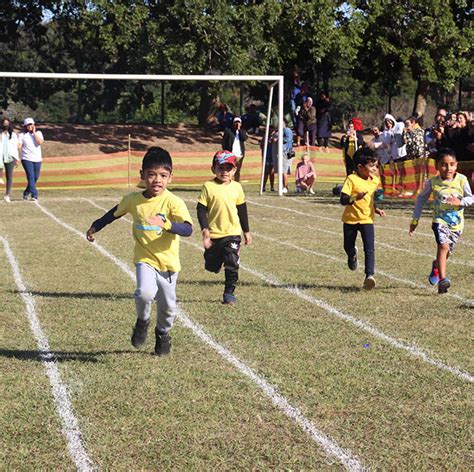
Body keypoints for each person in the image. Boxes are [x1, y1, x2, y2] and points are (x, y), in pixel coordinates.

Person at [86, 147, 193, 356]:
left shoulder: (173, 202)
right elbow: (113, 214)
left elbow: (188, 229)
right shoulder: (134, 200)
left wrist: (168, 225)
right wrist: (95, 226)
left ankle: (162, 334)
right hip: (144, 259)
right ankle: (143, 320)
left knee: (168, 307)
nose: (157, 180)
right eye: (151, 174)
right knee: (144, 293)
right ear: (142, 175)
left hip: (169, 265)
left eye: (163, 175)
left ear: (170, 177)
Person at [409, 148, 473, 294]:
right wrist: (415, 219)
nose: (448, 168)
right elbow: (421, 199)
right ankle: (443, 280)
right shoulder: (433, 182)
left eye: (451, 164)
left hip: (457, 224)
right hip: (439, 221)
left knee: (447, 250)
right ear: (437, 166)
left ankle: (436, 266)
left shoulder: (462, 180)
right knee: (443, 246)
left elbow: (471, 198)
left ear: (456, 165)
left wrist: (460, 201)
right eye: (444, 164)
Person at [196, 150, 252, 305]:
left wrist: (246, 231)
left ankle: (229, 293)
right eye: (221, 167)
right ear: (213, 169)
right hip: (214, 234)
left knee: (232, 262)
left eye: (229, 168)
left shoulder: (237, 187)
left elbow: (242, 210)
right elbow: (201, 209)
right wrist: (205, 230)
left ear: (234, 170)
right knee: (211, 266)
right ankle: (218, 261)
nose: (225, 171)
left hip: (232, 233)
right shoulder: (208, 186)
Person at [340, 147, 385, 290]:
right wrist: (355, 197)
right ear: (359, 167)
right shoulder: (351, 179)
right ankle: (352, 253)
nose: (374, 169)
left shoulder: (375, 181)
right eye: (371, 166)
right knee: (347, 246)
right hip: (350, 220)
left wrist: (376, 208)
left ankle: (369, 276)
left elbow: (370, 198)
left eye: (376, 165)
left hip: (367, 219)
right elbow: (343, 199)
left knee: (369, 248)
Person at [19, 117, 44, 201]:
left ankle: (26, 192)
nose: (30, 126)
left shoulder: (39, 133)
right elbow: (19, 146)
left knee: (35, 177)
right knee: (30, 176)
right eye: (28, 125)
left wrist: (34, 133)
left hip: (37, 159)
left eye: (31, 124)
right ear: (25, 126)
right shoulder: (22, 135)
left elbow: (39, 142)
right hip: (26, 158)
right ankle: (34, 195)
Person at [403, 116, 427, 196]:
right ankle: (415, 190)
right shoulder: (409, 132)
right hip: (412, 157)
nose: (406, 126)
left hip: (420, 156)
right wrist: (405, 132)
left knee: (422, 174)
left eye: (407, 124)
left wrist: (407, 132)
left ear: (413, 122)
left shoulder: (419, 131)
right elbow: (406, 142)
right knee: (414, 174)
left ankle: (424, 190)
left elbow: (416, 143)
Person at [222, 116, 247, 182]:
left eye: (239, 122)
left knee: (237, 170)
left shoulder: (242, 131)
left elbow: (244, 138)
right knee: (229, 170)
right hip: (230, 154)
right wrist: (226, 152)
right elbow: (224, 142)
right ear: (233, 123)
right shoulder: (228, 131)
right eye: (236, 122)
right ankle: (227, 182)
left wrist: (239, 130)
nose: (237, 124)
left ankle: (236, 183)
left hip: (240, 154)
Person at [271, 120, 293, 193]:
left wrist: (277, 139)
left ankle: (285, 187)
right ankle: (282, 186)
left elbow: (288, 139)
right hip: (278, 153)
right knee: (280, 171)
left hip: (285, 152)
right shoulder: (277, 131)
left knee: (284, 170)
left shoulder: (287, 130)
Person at [1, 118, 20, 202]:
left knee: (9, 176)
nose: (5, 125)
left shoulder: (13, 134)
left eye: (7, 123)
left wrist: (17, 158)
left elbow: (15, 147)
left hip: (11, 157)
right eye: (4, 123)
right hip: (0, 156)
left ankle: (7, 195)